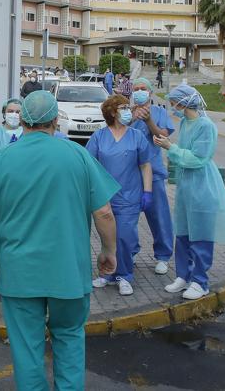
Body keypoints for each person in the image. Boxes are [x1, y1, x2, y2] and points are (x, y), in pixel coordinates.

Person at [0, 90, 119, 390]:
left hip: (20, 275)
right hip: (69, 274)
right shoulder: (77, 154)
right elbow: (104, 212)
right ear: (55, 120)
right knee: (70, 339)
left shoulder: (0, 159)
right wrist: (108, 251)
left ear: (21, 119)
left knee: (26, 350)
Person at [157, 83, 225, 300]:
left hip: (203, 185)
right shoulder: (187, 122)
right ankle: (183, 275)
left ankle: (200, 281)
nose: (172, 107)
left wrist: (171, 148)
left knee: (201, 234)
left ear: (184, 102)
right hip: (187, 185)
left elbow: (199, 158)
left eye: (174, 103)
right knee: (184, 231)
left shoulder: (206, 126)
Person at [85, 94, 155, 297]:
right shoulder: (99, 136)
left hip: (130, 196)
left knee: (124, 237)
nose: (128, 111)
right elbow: (90, 165)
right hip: (104, 197)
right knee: (108, 237)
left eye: (128, 107)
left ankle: (124, 275)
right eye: (123, 107)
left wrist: (148, 192)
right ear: (112, 112)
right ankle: (107, 274)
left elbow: (145, 165)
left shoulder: (136, 136)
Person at [129, 77, 176, 275]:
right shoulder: (126, 112)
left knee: (159, 215)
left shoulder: (159, 113)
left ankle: (163, 256)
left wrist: (149, 121)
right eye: (136, 89)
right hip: (128, 172)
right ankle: (129, 252)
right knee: (127, 217)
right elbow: (117, 130)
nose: (140, 91)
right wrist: (130, 116)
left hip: (154, 171)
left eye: (143, 88)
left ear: (149, 92)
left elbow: (162, 137)